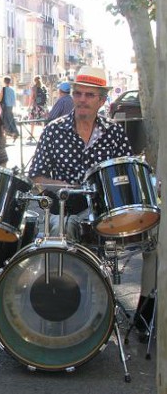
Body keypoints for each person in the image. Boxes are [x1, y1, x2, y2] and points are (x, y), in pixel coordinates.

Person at [28, 66, 156, 336]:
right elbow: (38, 177)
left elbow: (127, 172)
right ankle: (59, 305)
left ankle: (145, 310)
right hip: (65, 208)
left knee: (155, 238)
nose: (82, 99)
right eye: (78, 93)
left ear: (101, 100)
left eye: (89, 95)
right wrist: (74, 188)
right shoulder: (54, 131)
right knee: (54, 228)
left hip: (105, 211)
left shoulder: (114, 133)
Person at [27, 75, 48, 144]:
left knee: (33, 121)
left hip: (36, 106)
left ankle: (31, 135)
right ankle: (45, 134)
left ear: (34, 80)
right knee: (43, 121)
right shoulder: (44, 87)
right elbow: (46, 98)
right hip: (43, 107)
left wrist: (29, 106)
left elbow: (31, 98)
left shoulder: (34, 88)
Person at [0, 75, 19, 141]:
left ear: (4, 81)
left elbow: (0, 98)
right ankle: (14, 132)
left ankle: (8, 134)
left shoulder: (3, 89)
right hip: (10, 107)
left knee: (3, 121)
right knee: (10, 120)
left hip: (5, 107)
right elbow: (14, 100)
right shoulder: (12, 89)